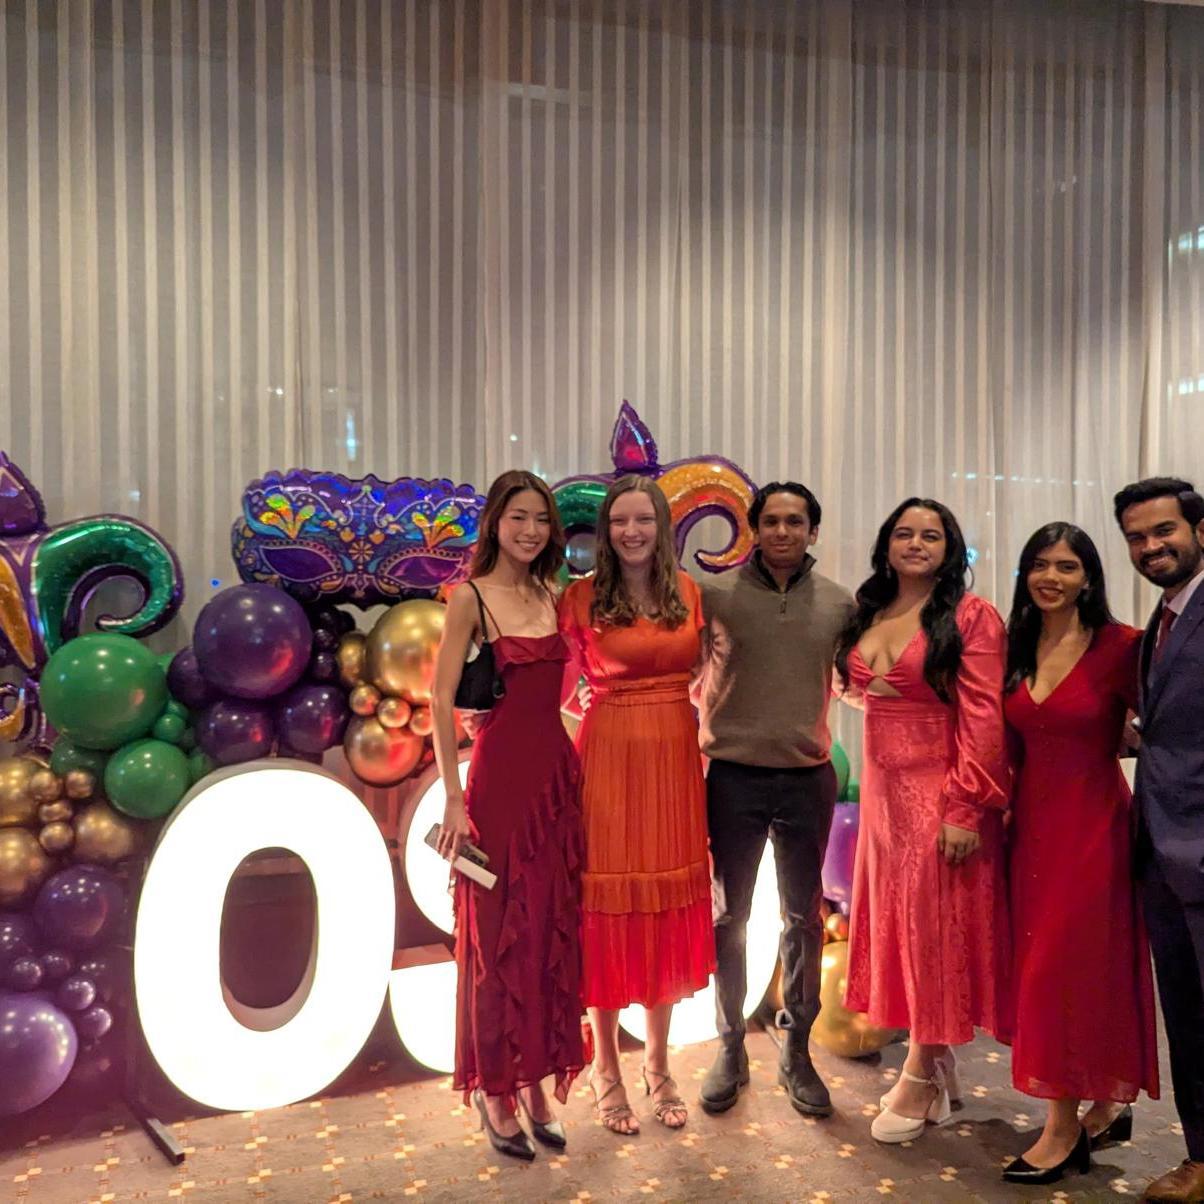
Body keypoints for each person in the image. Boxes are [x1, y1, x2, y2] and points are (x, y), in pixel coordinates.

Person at [834, 497, 1009, 1145]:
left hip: (940, 796)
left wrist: (965, 807)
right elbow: (855, 688)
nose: (915, 543)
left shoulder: (971, 616)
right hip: (883, 800)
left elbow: (984, 719)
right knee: (901, 931)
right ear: (886, 544)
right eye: (904, 533)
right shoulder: (869, 612)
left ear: (949, 548)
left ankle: (918, 1072)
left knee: (932, 933)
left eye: (930, 535)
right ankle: (938, 1066)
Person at [431, 470, 585, 1162]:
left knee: (549, 928)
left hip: (556, 778)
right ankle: (495, 1087)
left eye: (542, 519)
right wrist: (452, 797)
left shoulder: (555, 595)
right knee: (495, 939)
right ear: (495, 522)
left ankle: (535, 1081)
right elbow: (439, 699)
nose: (530, 530)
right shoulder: (470, 597)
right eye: (518, 517)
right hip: (496, 784)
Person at [1001, 522, 1158, 1186]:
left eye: (1066, 566)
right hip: (1029, 832)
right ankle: (1103, 1104)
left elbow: (1170, 722)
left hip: (1094, 830)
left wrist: (1134, 741)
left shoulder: (1122, 646)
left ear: (1089, 576)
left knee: (1062, 972)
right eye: (1040, 564)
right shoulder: (1015, 644)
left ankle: (1061, 1130)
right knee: (1049, 969)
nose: (1051, 577)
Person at [559, 474, 715, 1135]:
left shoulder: (689, 592)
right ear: (605, 531)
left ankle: (657, 1065)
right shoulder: (580, 597)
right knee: (607, 907)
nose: (632, 531)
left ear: (662, 527)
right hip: (610, 758)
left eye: (643, 519)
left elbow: (706, 676)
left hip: (675, 760)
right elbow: (559, 688)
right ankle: (607, 1070)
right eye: (620, 521)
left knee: (662, 910)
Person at [694, 481, 854, 1117]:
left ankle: (797, 1052)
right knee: (728, 917)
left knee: (803, 920)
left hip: (806, 777)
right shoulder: (714, 596)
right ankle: (730, 1046)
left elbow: (860, 680)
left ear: (813, 531)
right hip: (732, 776)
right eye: (771, 521)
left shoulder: (839, 604)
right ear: (754, 529)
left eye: (795, 521)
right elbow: (683, 672)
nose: (783, 531)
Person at [1114, 477, 1204, 1204]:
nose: (1151, 546)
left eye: (1163, 530)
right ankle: (1201, 1158)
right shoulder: (1165, 618)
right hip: (1162, 855)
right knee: (1188, 1019)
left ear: (1200, 529)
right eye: (1137, 537)